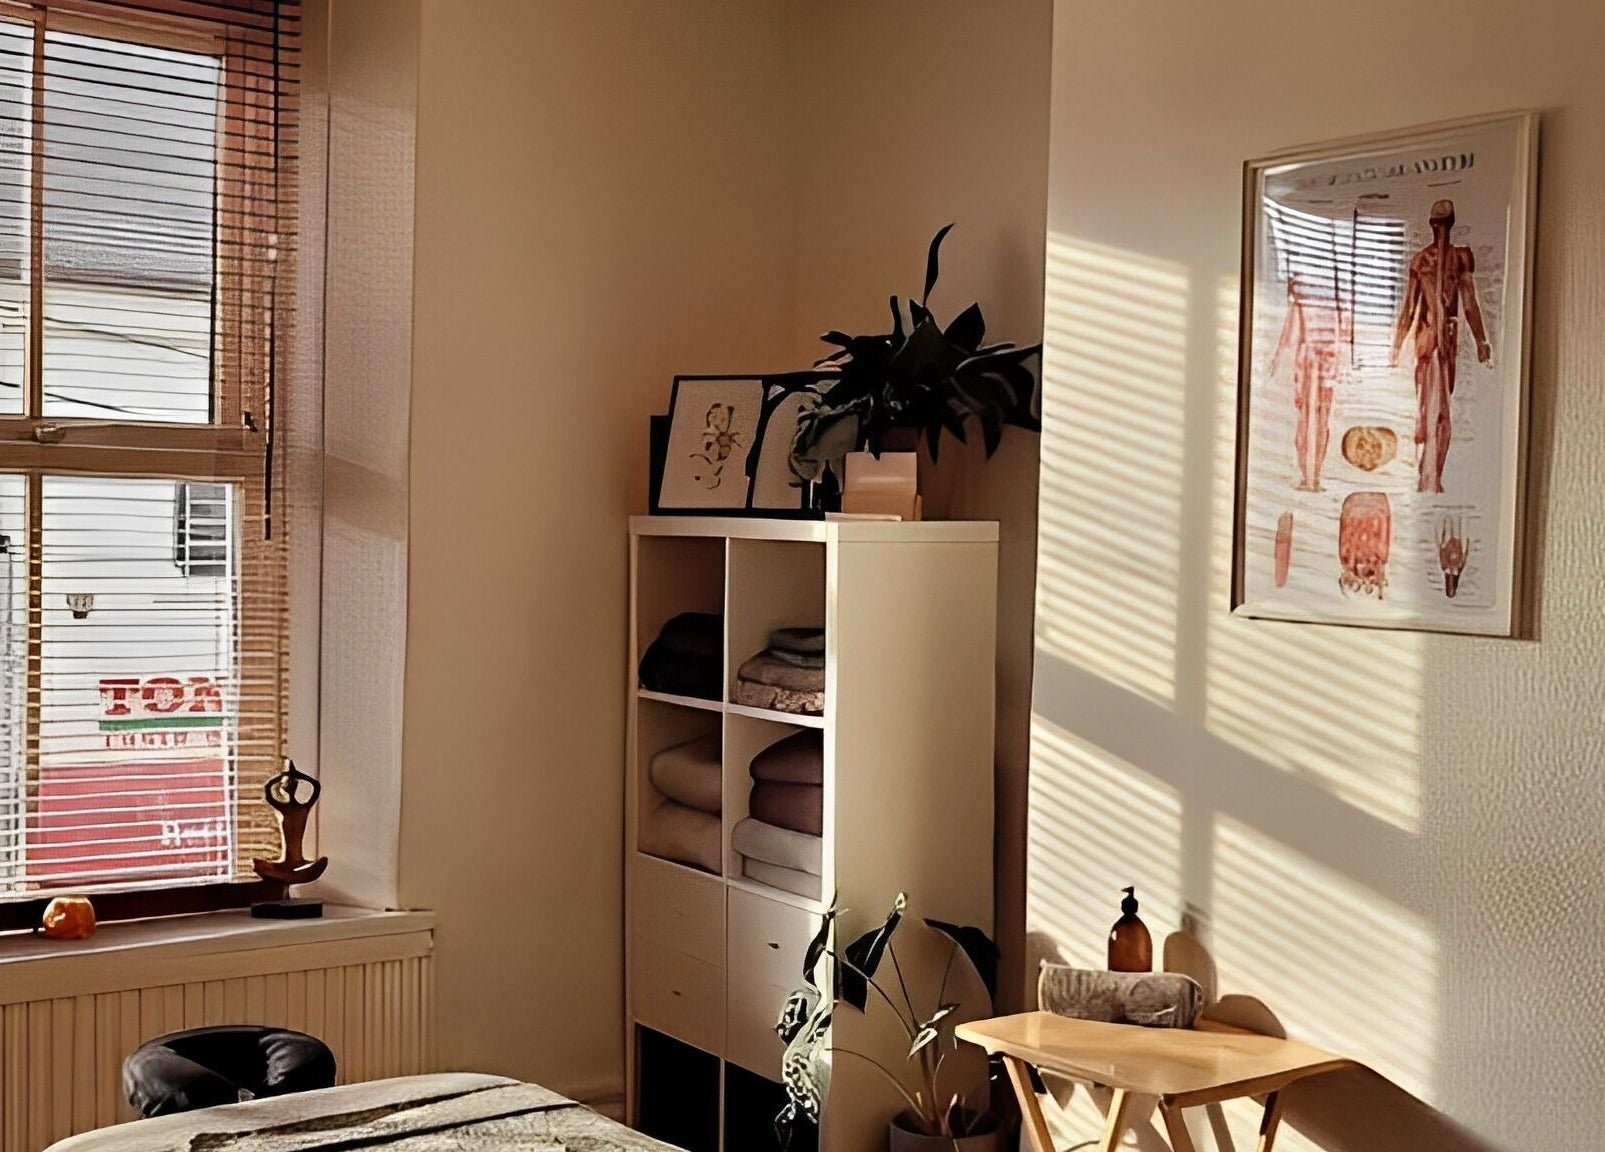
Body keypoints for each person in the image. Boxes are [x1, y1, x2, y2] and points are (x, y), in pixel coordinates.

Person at [1390, 199, 1491, 493]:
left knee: (1441, 409)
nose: (1441, 231)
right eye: (1438, 225)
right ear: (1432, 226)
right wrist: (1396, 346)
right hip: (1426, 340)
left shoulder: (1460, 258)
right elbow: (1409, 308)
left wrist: (1481, 339)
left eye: (1445, 225)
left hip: (1447, 341)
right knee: (1427, 410)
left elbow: (1470, 302)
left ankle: (1433, 474)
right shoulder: (1421, 261)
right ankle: (1426, 475)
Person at [1270, 276, 1342, 491]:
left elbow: (1288, 335)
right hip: (1324, 358)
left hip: (1313, 360)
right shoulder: (1325, 296)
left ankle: (1311, 476)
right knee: (1318, 419)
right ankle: (1313, 476)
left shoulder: (1301, 298)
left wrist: (1277, 358)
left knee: (1311, 419)